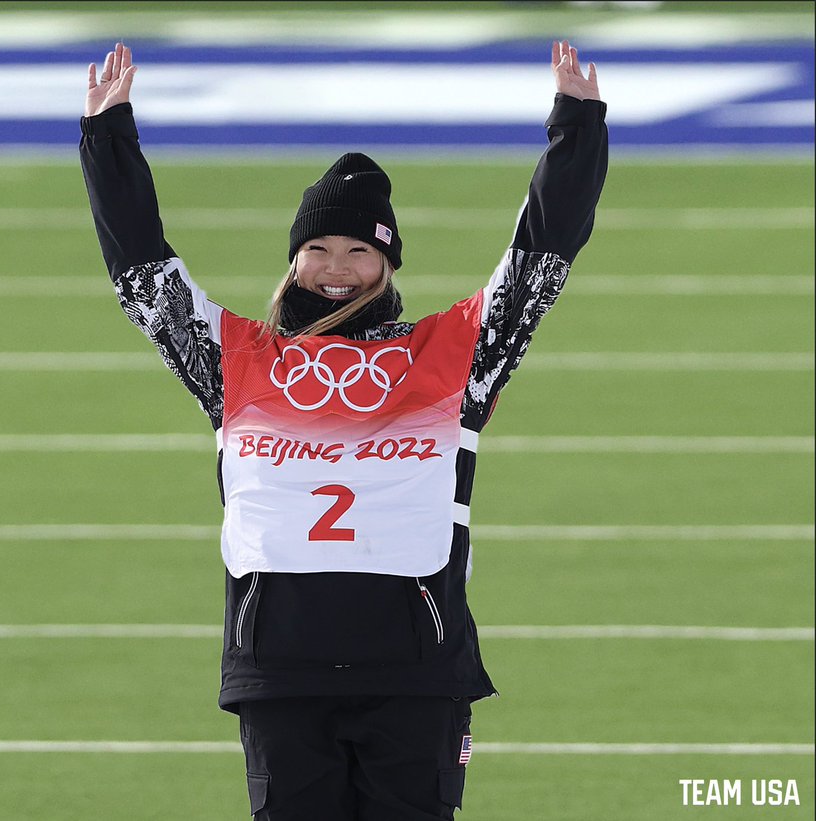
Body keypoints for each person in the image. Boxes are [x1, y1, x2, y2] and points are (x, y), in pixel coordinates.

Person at [80, 40, 606, 821]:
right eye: (318, 249)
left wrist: (578, 127)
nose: (336, 267)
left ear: (387, 265)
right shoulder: (234, 360)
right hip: (281, 676)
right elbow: (142, 275)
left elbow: (541, 259)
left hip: (415, 673)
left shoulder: (455, 353)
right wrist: (107, 135)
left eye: (359, 250)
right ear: (293, 262)